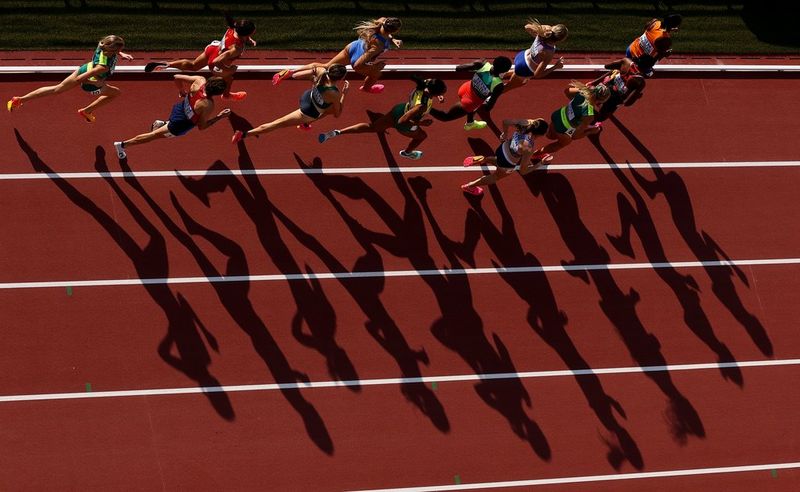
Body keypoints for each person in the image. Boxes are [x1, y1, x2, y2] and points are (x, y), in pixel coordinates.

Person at [7, 35, 133, 122]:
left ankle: (19, 100)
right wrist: (98, 83)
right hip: (91, 82)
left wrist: (121, 53)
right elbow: (81, 80)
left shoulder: (102, 45)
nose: (121, 50)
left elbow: (108, 49)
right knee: (115, 93)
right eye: (120, 49)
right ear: (112, 50)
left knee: (57, 89)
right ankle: (86, 111)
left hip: (85, 68)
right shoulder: (103, 67)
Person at [318, 76, 446, 160]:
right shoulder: (421, 107)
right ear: (434, 92)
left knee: (372, 127)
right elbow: (403, 120)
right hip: (405, 122)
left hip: (399, 109)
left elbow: (421, 82)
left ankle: (338, 132)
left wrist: (437, 95)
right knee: (422, 136)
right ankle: (407, 153)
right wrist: (422, 123)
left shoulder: (424, 84)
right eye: (440, 94)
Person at [272, 17, 402, 94]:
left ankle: (289, 72)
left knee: (326, 65)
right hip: (358, 58)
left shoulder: (381, 21)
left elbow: (385, 34)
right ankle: (366, 88)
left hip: (353, 47)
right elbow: (357, 65)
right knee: (376, 74)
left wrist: (392, 39)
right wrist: (375, 66)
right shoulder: (378, 46)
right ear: (395, 30)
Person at [113, 75, 230, 159]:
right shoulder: (208, 105)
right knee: (153, 136)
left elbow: (177, 77)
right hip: (181, 124)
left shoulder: (199, 80)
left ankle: (163, 124)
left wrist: (181, 90)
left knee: (164, 128)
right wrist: (220, 116)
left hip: (179, 108)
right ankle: (122, 145)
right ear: (217, 93)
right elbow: (202, 126)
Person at [145, 13, 256, 100]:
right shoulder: (236, 48)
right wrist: (229, 69)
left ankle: (168, 64)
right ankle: (226, 95)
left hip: (213, 49)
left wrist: (249, 40)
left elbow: (239, 36)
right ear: (246, 33)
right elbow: (217, 61)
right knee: (229, 78)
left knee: (193, 65)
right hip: (217, 62)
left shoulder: (234, 27)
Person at [232, 64, 349, 143]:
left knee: (326, 108)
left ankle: (305, 124)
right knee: (276, 124)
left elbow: (310, 68)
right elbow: (337, 114)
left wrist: (293, 73)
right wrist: (344, 94)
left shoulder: (322, 71)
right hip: (307, 112)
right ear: (341, 78)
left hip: (307, 96)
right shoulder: (334, 93)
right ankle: (243, 135)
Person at [460, 118, 552, 196]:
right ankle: (469, 186)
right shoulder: (528, 148)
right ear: (539, 135)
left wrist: (504, 133)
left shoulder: (525, 123)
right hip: (507, 162)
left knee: (497, 160)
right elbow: (523, 171)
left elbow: (506, 121)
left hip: (502, 149)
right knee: (495, 177)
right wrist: (541, 163)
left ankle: (482, 159)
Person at [429, 56, 512, 131]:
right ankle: (427, 108)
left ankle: (470, 123)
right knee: (446, 117)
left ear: (494, 61)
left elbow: (459, 68)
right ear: (505, 71)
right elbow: (489, 106)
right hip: (469, 103)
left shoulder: (482, 63)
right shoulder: (499, 86)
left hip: (464, 89)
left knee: (473, 107)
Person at [534, 80, 610, 157]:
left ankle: (541, 135)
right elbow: (575, 136)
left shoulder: (582, 92)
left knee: (550, 135)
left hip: (558, 115)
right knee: (561, 144)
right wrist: (590, 131)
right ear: (602, 101)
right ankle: (537, 154)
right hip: (565, 128)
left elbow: (566, 91)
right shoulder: (589, 115)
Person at [505, 18, 568, 92]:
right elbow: (537, 75)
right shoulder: (549, 52)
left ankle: (499, 74)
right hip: (525, 68)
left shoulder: (544, 30)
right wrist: (555, 67)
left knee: (516, 74)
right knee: (508, 87)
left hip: (521, 56)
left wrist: (539, 31)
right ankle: (490, 96)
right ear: (561, 40)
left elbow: (527, 26)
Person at [587, 58, 646, 123]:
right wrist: (637, 96)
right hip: (614, 98)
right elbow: (627, 103)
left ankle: (590, 105)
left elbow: (608, 67)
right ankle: (589, 115)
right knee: (600, 117)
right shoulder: (640, 82)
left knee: (594, 99)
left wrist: (594, 82)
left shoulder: (626, 62)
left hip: (606, 85)